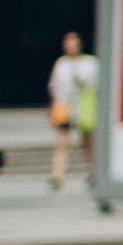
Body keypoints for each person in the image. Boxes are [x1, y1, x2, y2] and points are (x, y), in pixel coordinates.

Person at [46, 32, 97, 191]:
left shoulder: (90, 63)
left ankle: (94, 173)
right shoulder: (61, 64)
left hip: (83, 107)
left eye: (73, 43)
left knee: (87, 143)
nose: (70, 47)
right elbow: (54, 87)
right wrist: (52, 107)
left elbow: (96, 86)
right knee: (61, 142)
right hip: (65, 107)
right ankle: (57, 176)